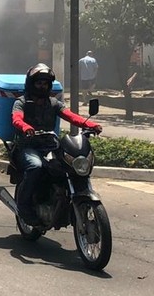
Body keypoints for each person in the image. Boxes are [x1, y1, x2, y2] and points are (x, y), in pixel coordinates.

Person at [10, 63, 102, 226]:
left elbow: (71, 116)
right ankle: (24, 207)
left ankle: (62, 201)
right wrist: (25, 127)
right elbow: (17, 118)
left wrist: (90, 124)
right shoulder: (21, 102)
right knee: (36, 167)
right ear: (32, 84)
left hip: (50, 145)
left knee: (67, 166)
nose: (42, 86)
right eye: (39, 83)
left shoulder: (53, 103)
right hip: (28, 146)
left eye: (45, 83)